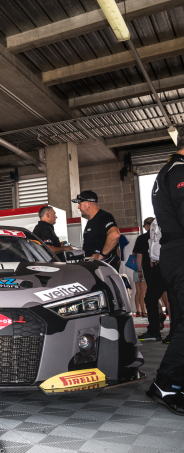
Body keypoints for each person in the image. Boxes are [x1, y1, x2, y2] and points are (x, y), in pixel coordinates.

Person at [146, 132, 184, 416]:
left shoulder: (169, 170)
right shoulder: (179, 171)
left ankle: (171, 381)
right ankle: (166, 383)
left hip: (175, 253)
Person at [72, 190, 121, 271]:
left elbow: (115, 235)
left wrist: (101, 255)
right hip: (94, 268)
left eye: (80, 204)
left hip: (103, 269)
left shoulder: (104, 217)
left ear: (88, 204)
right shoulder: (91, 221)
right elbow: (116, 246)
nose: (78, 207)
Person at [139, 218, 169, 341]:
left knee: (172, 298)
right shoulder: (154, 223)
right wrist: (152, 258)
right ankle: (154, 331)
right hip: (156, 265)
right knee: (150, 298)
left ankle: (174, 331)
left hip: (167, 263)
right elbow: (152, 242)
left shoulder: (168, 220)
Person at [132, 217, 154, 318]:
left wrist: (139, 269)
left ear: (147, 225)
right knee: (144, 292)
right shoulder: (155, 237)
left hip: (137, 269)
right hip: (145, 268)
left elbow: (136, 254)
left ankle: (139, 311)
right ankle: (145, 311)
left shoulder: (141, 239)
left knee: (138, 292)